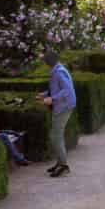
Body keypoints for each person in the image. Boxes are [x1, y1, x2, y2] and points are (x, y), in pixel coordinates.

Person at [38, 48, 76, 177]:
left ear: (49, 61)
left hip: (63, 107)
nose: (44, 63)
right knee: (55, 135)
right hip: (63, 106)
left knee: (56, 136)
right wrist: (44, 95)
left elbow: (67, 90)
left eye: (45, 60)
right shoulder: (57, 70)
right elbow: (58, 88)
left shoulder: (59, 72)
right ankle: (60, 162)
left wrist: (52, 99)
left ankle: (64, 165)